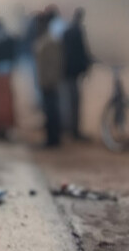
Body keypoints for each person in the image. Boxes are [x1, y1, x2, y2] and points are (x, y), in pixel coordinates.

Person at [33, 12, 64, 148]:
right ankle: (52, 138)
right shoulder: (46, 40)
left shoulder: (49, 41)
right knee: (49, 111)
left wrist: (50, 81)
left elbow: (55, 64)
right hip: (46, 82)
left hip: (49, 83)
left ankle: (53, 139)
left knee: (51, 112)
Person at [62, 8, 93, 140]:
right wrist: (86, 65)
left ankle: (71, 129)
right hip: (73, 73)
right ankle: (74, 131)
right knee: (74, 102)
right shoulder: (77, 31)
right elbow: (82, 51)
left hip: (68, 72)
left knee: (70, 101)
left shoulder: (67, 31)